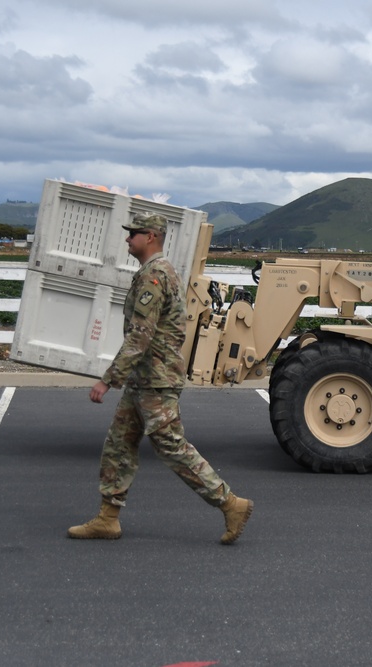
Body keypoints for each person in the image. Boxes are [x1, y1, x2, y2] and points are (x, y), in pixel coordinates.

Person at [68, 212, 253, 544]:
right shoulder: (154, 272)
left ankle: (230, 503)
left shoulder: (155, 276)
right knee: (118, 445)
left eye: (133, 233)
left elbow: (141, 335)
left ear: (151, 236)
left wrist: (107, 380)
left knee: (172, 447)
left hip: (155, 379)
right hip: (144, 378)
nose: (127, 239)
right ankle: (108, 519)